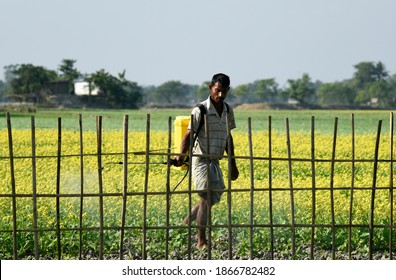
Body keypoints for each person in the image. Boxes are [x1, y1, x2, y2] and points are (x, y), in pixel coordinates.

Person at [175, 73, 239, 250]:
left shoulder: (228, 110)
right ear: (211, 88)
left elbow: (228, 138)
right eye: (218, 91)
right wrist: (181, 155)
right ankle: (201, 241)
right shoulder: (200, 110)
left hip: (215, 161)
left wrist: (232, 164)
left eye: (224, 92)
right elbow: (188, 134)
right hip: (201, 159)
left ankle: (185, 224)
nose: (220, 95)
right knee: (205, 198)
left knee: (210, 198)